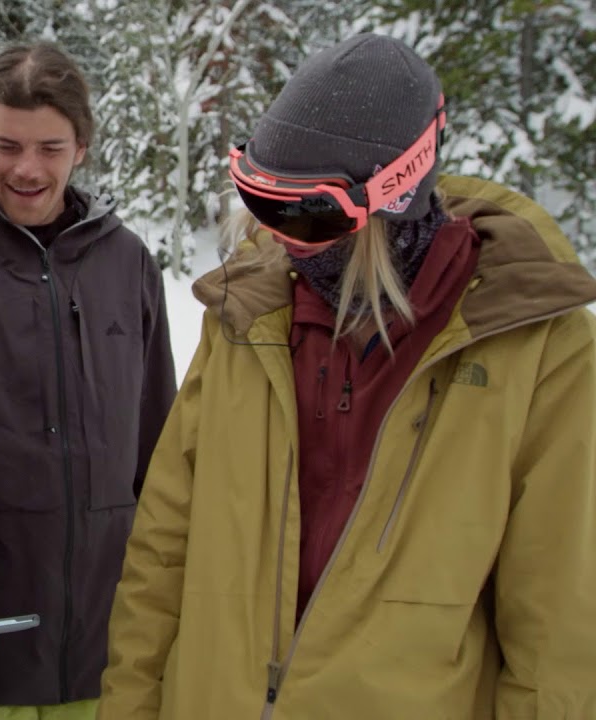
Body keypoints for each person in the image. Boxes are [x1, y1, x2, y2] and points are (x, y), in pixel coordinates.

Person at [97, 33, 596, 719]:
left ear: (394, 196)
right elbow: (163, 553)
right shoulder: (249, 318)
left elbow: (559, 624)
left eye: (306, 212)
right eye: (260, 201)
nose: (278, 237)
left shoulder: (536, 349)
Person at [0, 43, 176, 720]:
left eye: (51, 148)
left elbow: (161, 443)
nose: (27, 169)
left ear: (82, 148)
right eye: (6, 145)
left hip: (109, 646)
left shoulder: (127, 264)